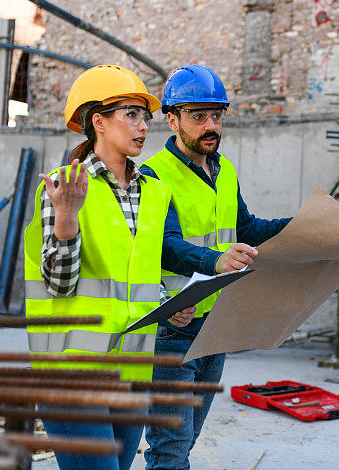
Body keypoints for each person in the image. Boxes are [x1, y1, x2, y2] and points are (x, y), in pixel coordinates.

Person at [140, 65, 291, 470]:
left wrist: (308, 226)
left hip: (215, 323)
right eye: (198, 116)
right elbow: (165, 245)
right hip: (173, 325)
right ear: (172, 119)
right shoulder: (153, 175)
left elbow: (249, 229)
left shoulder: (224, 171)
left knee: (185, 440)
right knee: (170, 448)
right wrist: (216, 261)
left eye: (217, 116)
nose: (211, 125)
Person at [24, 64, 169, 470]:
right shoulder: (63, 185)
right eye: (131, 113)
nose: (143, 126)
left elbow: (135, 273)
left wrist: (169, 302)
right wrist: (67, 218)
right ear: (99, 121)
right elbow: (58, 283)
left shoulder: (154, 192)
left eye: (146, 116)